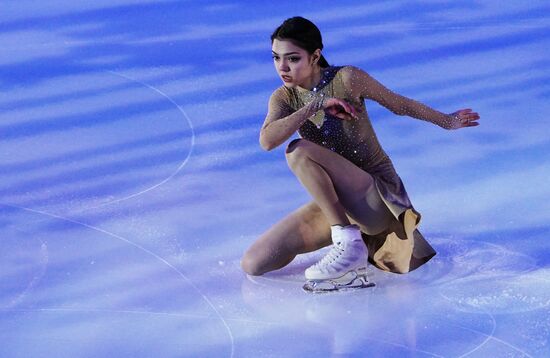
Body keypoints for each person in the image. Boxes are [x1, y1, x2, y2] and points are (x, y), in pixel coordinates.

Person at [240, 16, 480, 292]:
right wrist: (314, 105)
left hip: (376, 196)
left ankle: (348, 244)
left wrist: (447, 121)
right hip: (339, 206)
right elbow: (267, 141)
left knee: (298, 150)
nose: (282, 67)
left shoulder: (347, 78)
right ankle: (346, 238)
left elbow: (399, 103)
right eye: (276, 57)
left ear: (315, 55)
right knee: (254, 262)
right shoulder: (285, 98)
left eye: (292, 58)